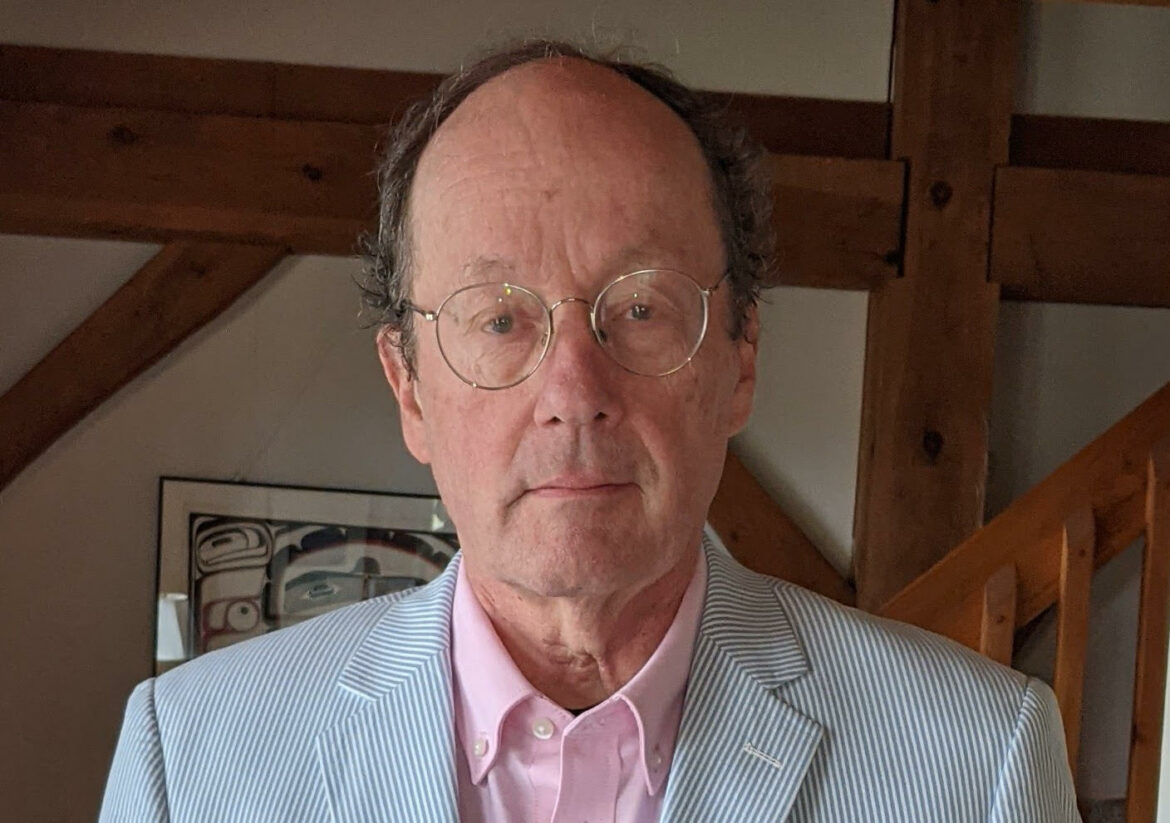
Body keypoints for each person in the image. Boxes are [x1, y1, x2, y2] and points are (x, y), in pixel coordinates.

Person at [100, 41, 1079, 822]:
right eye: (498, 318)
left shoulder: (974, 764)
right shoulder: (193, 761)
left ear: (740, 358)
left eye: (641, 308)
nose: (573, 391)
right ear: (410, 387)